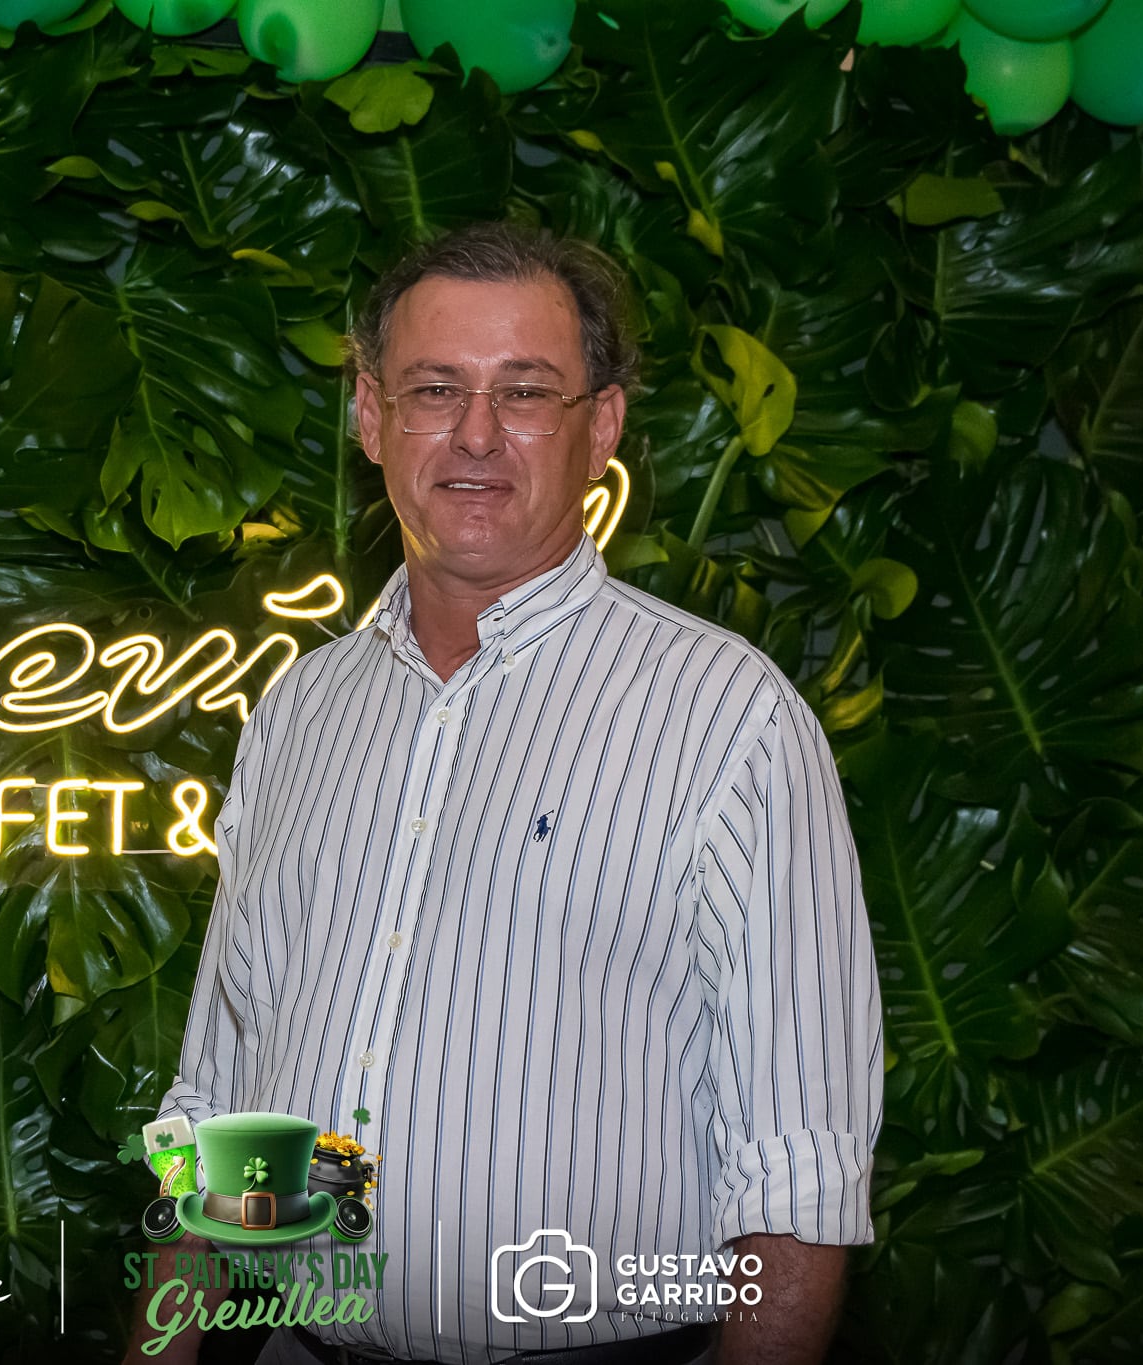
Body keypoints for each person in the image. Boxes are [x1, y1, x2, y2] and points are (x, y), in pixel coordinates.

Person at [126, 221, 884, 1365]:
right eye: (434, 390)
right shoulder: (299, 712)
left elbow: (797, 1162)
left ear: (601, 427)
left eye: (524, 393)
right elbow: (223, 1090)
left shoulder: (727, 720)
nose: (474, 434)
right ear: (371, 416)